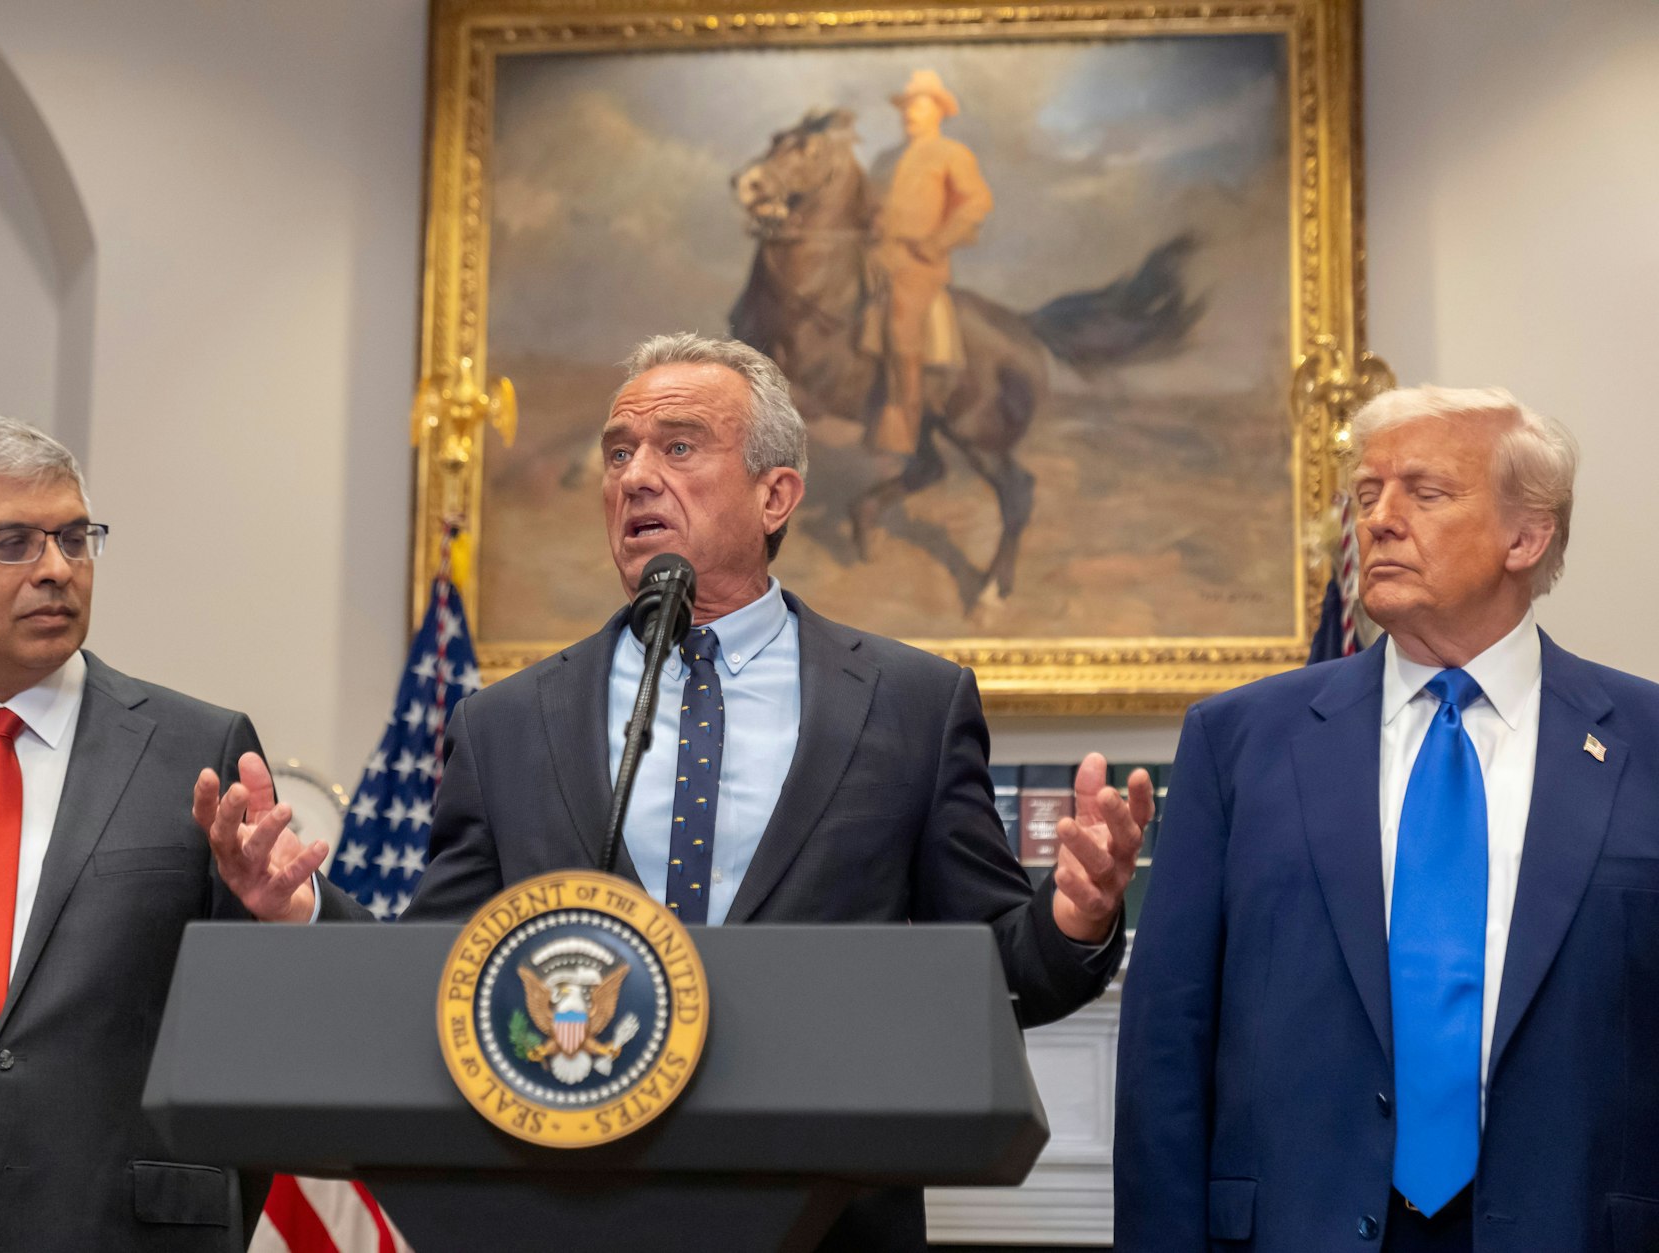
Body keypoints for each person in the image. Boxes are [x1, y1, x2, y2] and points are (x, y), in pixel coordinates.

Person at [404, 332, 1147, 1251]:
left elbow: (999, 968)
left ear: (775, 494)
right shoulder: (503, 724)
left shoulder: (912, 704)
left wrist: (1075, 917)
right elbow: (432, 974)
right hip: (570, 1210)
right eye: (619, 451)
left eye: (678, 446)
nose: (636, 475)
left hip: (829, 1218)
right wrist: (308, 913)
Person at [0, 416, 363, 1253]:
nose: (56, 568)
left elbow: (257, 1054)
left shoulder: (197, 753)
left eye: (75, 538)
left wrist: (290, 914)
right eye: (12, 541)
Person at [1115, 387, 1659, 1252]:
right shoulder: (1240, 741)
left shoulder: (1645, 742)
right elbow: (1166, 1050)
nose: (1380, 520)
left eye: (1425, 492)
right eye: (1366, 494)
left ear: (1527, 536)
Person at [865, 68, 994, 456]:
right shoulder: (886, 159)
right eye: (906, 106)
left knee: (901, 328)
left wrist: (938, 242)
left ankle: (904, 425)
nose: (909, 113)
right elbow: (871, 207)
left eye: (918, 105)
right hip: (875, 256)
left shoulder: (952, 154)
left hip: (918, 263)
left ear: (939, 110)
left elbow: (977, 202)